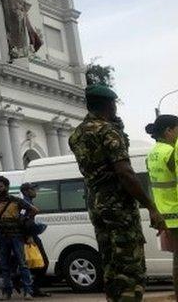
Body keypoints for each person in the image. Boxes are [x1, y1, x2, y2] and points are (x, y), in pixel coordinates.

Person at [69, 84, 166, 302]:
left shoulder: (76, 135)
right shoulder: (107, 131)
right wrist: (150, 207)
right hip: (118, 204)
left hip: (96, 202)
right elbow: (125, 172)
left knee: (111, 264)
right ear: (108, 104)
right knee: (130, 267)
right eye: (114, 104)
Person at [145, 114, 178, 297]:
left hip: (165, 213)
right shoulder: (170, 152)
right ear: (168, 131)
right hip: (175, 210)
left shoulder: (152, 153)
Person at [0, 176, 35, 300]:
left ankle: (28, 291)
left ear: (7, 187)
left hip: (16, 236)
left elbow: (33, 210)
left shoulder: (16, 201)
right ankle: (6, 292)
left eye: (1, 186)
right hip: (2, 237)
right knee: (4, 266)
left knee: (22, 264)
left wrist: (24, 220)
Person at [18, 183, 50, 298]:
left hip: (32, 235)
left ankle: (32, 287)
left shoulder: (28, 203)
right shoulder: (24, 204)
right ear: (26, 191)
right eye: (33, 189)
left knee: (35, 263)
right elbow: (22, 220)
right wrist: (29, 235)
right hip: (30, 237)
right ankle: (31, 286)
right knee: (43, 263)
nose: (35, 191)